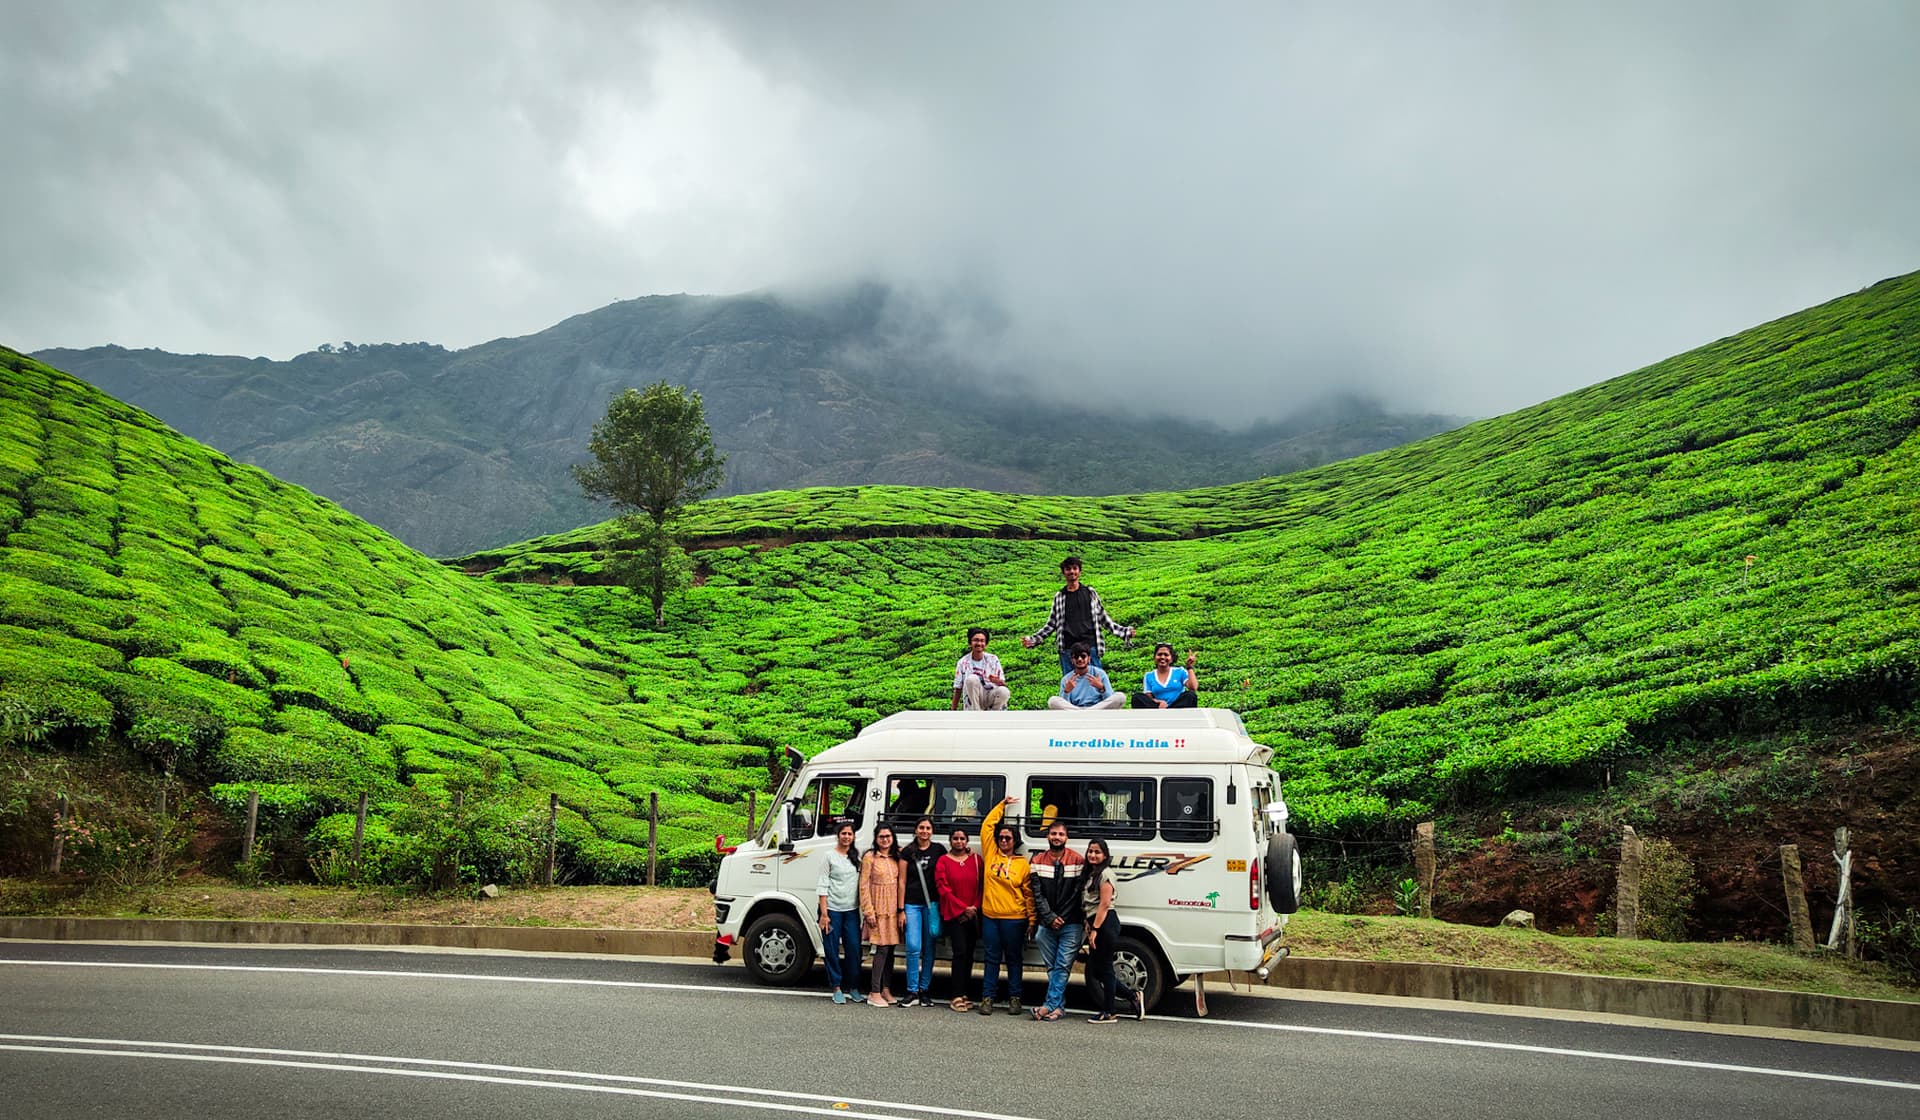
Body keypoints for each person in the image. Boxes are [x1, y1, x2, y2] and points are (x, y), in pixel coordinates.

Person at [1022, 555, 1134, 675]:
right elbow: (1051, 624)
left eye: (1075, 568)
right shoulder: (1060, 596)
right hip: (1068, 649)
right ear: (1064, 573)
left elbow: (1103, 618)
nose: (1072, 572)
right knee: (1071, 685)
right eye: (1068, 569)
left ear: (1079, 571)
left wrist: (1124, 632)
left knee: (1096, 683)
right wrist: (1033, 640)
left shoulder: (1090, 592)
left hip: (1090, 647)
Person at [977, 795, 1034, 1016]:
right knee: (990, 959)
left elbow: (1028, 894)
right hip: (990, 917)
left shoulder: (1022, 865)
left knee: (1013, 960)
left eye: (1008, 838)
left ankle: (1015, 998)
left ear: (1015, 841)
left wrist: (1032, 920)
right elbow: (986, 827)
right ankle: (987, 998)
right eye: (1001, 837)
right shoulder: (991, 854)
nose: (1003, 841)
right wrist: (1001, 805)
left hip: (1015, 919)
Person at [1028, 817, 1086, 1021]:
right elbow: (1037, 894)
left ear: (1066, 837)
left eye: (1061, 834)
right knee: (1052, 966)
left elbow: (1077, 894)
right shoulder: (1036, 860)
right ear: (1047, 836)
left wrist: (1062, 917)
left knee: (1062, 965)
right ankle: (1058, 1008)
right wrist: (1050, 917)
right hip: (1046, 924)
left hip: (1072, 923)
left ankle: (1049, 1006)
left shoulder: (1078, 861)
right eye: (1053, 834)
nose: (1057, 837)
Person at [1081, 838, 1143, 1023]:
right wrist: (1088, 922)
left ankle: (1109, 1012)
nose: (1093, 855)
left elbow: (1105, 904)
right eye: (1090, 851)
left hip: (1105, 923)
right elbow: (1090, 903)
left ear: (1105, 855)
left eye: (1097, 852)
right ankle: (1132, 996)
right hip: (1096, 922)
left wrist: (1095, 930)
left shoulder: (1105, 874)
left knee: (1106, 969)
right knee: (1097, 971)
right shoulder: (1092, 873)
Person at [898, 816, 947, 1007]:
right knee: (912, 946)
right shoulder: (907, 852)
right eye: (921, 827)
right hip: (911, 904)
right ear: (916, 830)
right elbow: (901, 881)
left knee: (929, 948)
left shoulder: (939, 850)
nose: (924, 831)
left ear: (932, 831)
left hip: (932, 905)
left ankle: (924, 990)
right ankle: (912, 990)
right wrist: (901, 909)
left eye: (928, 828)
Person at [934, 824, 984, 1011]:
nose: (959, 841)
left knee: (970, 955)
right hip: (954, 914)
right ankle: (955, 995)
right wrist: (963, 909)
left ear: (967, 841)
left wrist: (973, 908)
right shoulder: (943, 861)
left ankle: (965, 993)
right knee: (960, 953)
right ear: (950, 840)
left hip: (973, 914)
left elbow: (981, 886)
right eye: (955, 838)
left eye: (962, 838)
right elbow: (943, 888)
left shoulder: (976, 860)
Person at [816, 821, 865, 1005]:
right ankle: (836, 986)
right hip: (831, 911)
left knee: (854, 948)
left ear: (853, 837)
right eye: (843, 833)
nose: (846, 837)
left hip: (851, 911)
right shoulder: (829, 856)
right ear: (838, 835)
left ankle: (853, 987)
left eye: (849, 834)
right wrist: (824, 913)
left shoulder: (856, 857)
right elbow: (822, 884)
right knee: (831, 949)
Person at [859, 824, 907, 1007]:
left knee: (891, 949)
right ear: (876, 839)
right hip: (877, 909)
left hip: (893, 910)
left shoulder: (897, 856)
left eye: (888, 836)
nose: (885, 839)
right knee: (881, 950)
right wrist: (868, 911)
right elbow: (863, 886)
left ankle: (886, 988)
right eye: (881, 837)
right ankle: (874, 991)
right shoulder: (870, 857)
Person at [1046, 643, 1126, 710]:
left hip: (1097, 708)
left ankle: (1087, 713)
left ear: (1089, 659)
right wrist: (1067, 692)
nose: (1080, 659)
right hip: (1076, 709)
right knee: (1052, 700)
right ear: (1072, 661)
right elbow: (1064, 705)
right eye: (1076, 657)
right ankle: (1084, 713)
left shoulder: (1099, 674)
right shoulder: (1067, 679)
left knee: (1120, 697)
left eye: (1083, 656)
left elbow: (1109, 698)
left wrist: (1101, 688)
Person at [951, 627, 1010, 711]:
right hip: (973, 699)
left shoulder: (993, 659)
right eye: (976, 640)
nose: (979, 643)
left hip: (990, 695)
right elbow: (958, 688)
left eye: (982, 641)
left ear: (985, 643)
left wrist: (997, 681)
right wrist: (953, 710)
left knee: (1004, 691)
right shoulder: (962, 662)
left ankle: (995, 715)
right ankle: (976, 713)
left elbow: (1003, 684)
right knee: (972, 679)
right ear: (970, 643)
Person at [1133, 643, 1199, 709]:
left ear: (1171, 658)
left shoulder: (1180, 671)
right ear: (1155, 658)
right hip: (1158, 708)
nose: (1162, 657)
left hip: (1177, 707)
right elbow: (1149, 697)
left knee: (1190, 695)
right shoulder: (1149, 675)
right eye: (1159, 654)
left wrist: (1189, 667)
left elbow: (1193, 688)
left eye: (1166, 655)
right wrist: (1159, 702)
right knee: (1137, 697)